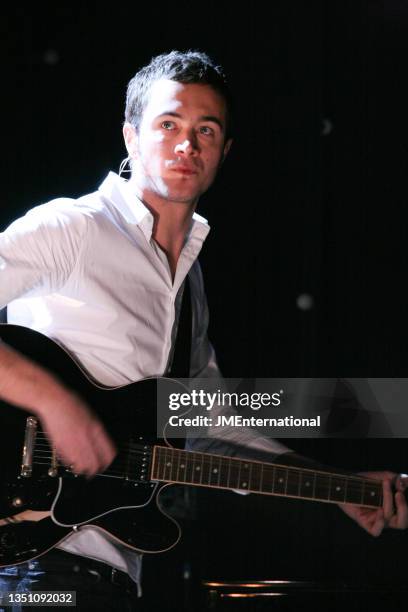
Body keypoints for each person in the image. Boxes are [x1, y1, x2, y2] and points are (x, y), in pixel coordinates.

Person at [0, 50, 407, 610]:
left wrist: (339, 489)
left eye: (205, 130)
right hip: (35, 570)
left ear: (224, 152)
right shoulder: (72, 227)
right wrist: (55, 403)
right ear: (130, 137)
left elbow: (210, 427)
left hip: (113, 579)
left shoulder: (188, 290)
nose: (187, 144)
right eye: (168, 125)